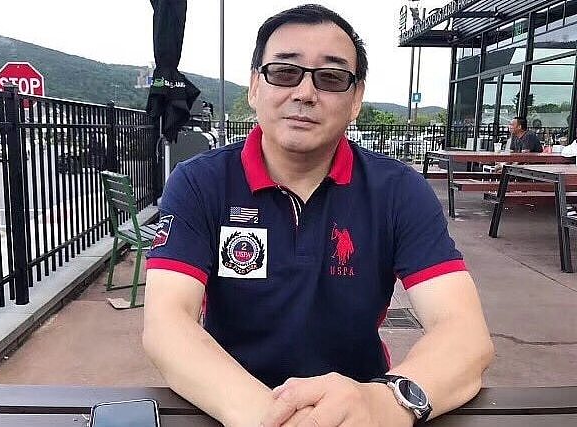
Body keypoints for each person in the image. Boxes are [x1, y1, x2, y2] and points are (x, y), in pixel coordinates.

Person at [143, 5, 494, 426]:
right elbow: (166, 324)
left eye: (330, 78)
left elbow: (465, 333)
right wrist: (270, 417)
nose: (305, 93)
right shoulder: (200, 183)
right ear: (255, 86)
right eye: (284, 72)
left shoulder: (398, 190)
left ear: (356, 100)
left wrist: (385, 404)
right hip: (228, 405)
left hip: (359, 410)